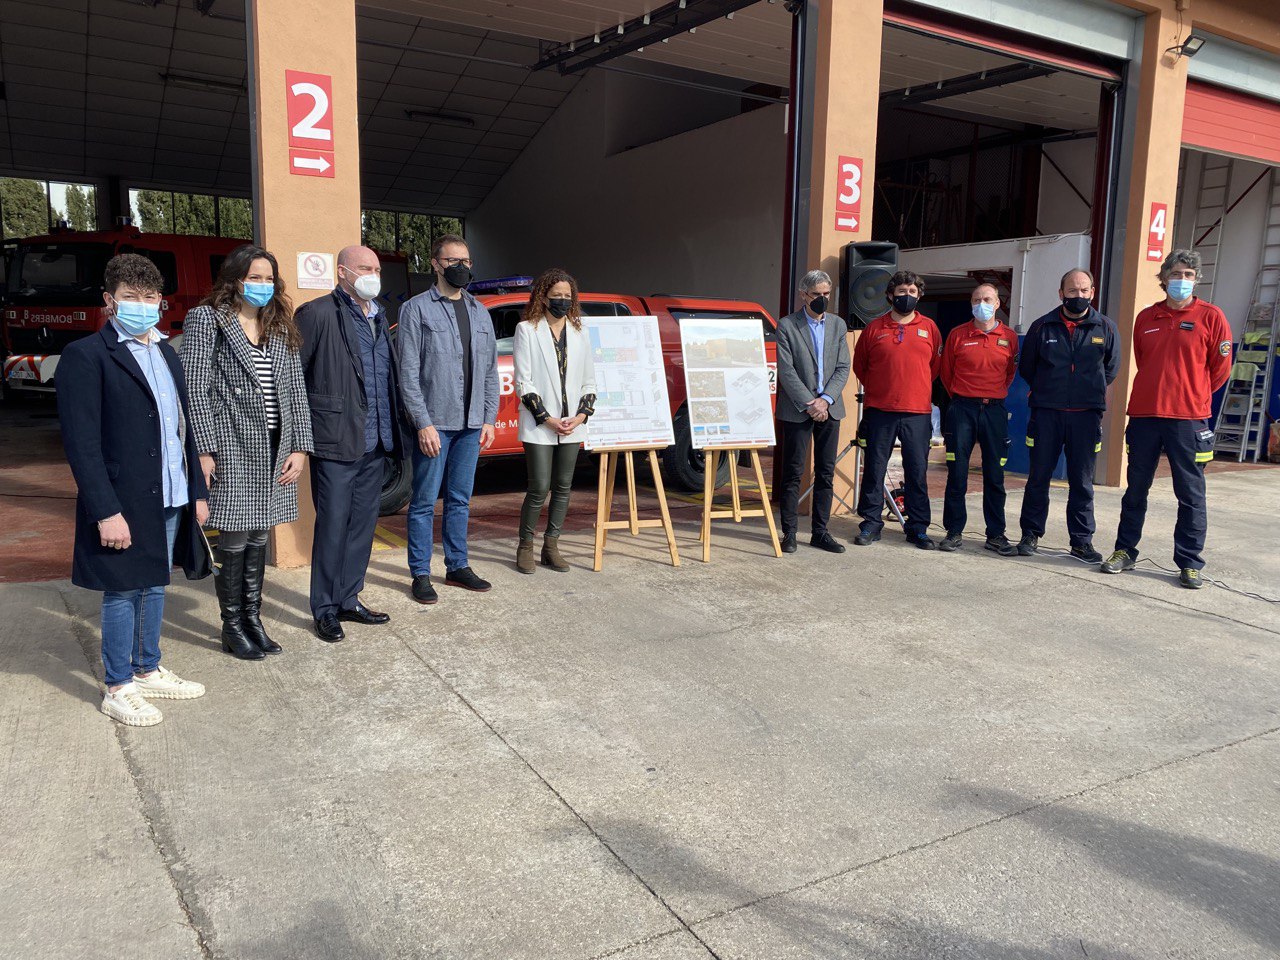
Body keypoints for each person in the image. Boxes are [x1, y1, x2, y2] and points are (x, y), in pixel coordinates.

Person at [57, 253, 210, 726]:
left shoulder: (166, 351)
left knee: (156, 581)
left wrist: (198, 491)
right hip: (122, 499)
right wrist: (105, 511)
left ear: (161, 302)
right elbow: (81, 444)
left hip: (168, 492)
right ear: (109, 301)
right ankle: (118, 686)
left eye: (149, 298)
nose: (142, 306)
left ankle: (146, 668)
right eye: (130, 298)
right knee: (122, 590)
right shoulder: (86, 357)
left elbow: (184, 429)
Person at [181, 246, 313, 659]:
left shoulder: (278, 324)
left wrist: (300, 447)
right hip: (232, 442)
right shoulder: (208, 320)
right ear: (235, 280)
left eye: (268, 278)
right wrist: (204, 449)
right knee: (236, 534)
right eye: (254, 277)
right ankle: (232, 624)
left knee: (261, 530)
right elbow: (194, 388)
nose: (262, 285)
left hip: (276, 446)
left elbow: (295, 390)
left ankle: (253, 617)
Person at [1102, 249, 1233, 588]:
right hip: (1145, 416)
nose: (1182, 281)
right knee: (1136, 491)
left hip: (1188, 420)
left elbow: (1219, 372)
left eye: (1189, 275)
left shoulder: (1212, 316)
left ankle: (1190, 562)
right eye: (1176, 274)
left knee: (1190, 494)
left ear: (1196, 279)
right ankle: (1124, 551)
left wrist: (1192, 394)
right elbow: (1144, 361)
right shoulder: (1146, 318)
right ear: (1163, 279)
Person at [297, 245, 407, 642]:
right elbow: (296, 379)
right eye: (365, 267)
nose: (373, 274)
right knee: (333, 526)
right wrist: (298, 438)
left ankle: (349, 598)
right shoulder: (317, 313)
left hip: (376, 439)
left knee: (362, 525)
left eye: (377, 268)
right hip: (336, 440)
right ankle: (324, 608)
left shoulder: (379, 316)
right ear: (342, 272)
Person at [398, 234, 499, 602]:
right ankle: (420, 573)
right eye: (454, 260)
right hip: (436, 422)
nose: (462, 267)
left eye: (467, 261)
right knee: (424, 501)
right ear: (436, 263)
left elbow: (489, 372)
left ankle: (457, 565)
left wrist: (488, 417)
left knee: (460, 499)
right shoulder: (416, 310)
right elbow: (407, 373)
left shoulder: (480, 311)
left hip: (472, 424)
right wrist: (422, 423)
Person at [1016, 269, 1120, 561]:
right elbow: (1028, 368)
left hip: (1085, 417)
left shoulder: (1106, 328)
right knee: (1038, 478)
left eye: (1084, 290)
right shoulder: (1041, 327)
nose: (1079, 296)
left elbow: (1110, 368)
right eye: (1072, 291)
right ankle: (1030, 535)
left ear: (1092, 292)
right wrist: (1050, 392)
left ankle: (1081, 541)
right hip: (1046, 415)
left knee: (1082, 481)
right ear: (1061, 294)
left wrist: (1086, 391)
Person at [512, 268, 597, 573]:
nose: (562, 300)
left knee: (563, 486)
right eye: (556, 296)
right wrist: (547, 418)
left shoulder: (580, 332)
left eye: (567, 296)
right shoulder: (527, 330)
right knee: (539, 487)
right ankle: (525, 546)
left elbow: (589, 381)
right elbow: (524, 382)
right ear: (543, 298)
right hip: (540, 424)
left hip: (572, 424)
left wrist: (581, 416)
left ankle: (551, 546)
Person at [851, 270, 942, 549]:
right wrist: (883, 388)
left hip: (917, 412)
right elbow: (861, 367)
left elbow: (934, 369)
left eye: (912, 292)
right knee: (875, 469)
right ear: (890, 295)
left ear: (919, 296)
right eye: (901, 292)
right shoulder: (874, 329)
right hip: (880, 409)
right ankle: (870, 523)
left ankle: (917, 528)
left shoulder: (930, 328)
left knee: (917, 471)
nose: (907, 297)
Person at [937, 283, 1020, 555]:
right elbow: (946, 374)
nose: (981, 303)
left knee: (995, 476)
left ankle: (996, 534)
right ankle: (953, 532)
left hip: (994, 411)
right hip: (962, 409)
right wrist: (965, 397)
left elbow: (1009, 373)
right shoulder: (958, 335)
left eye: (986, 299)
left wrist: (990, 395)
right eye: (976, 299)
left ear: (997, 303)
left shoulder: (1009, 336)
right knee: (957, 474)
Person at [774, 269, 851, 554]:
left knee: (826, 473)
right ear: (803, 295)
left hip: (830, 409)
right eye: (817, 294)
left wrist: (826, 399)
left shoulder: (838, 326)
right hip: (799, 410)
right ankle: (790, 532)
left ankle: (820, 532)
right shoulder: (787, 326)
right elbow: (787, 370)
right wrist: (811, 403)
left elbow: (843, 367)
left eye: (827, 294)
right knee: (793, 472)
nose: (822, 299)